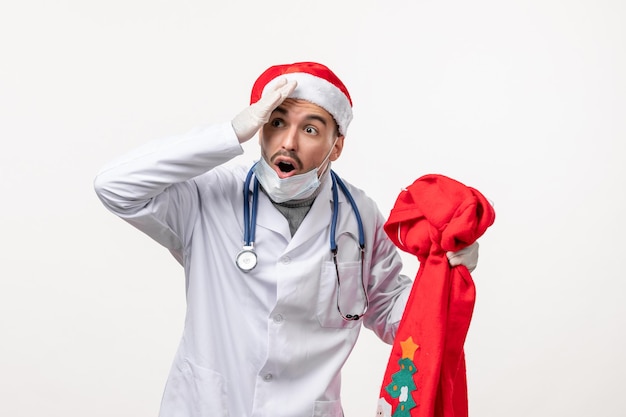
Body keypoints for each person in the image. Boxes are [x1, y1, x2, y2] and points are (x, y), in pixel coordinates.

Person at [94, 61, 479, 417]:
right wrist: (231, 132)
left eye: (310, 129)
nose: (289, 142)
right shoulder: (207, 197)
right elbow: (114, 187)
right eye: (276, 122)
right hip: (209, 405)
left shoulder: (359, 215)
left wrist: (442, 270)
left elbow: (395, 316)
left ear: (337, 145)